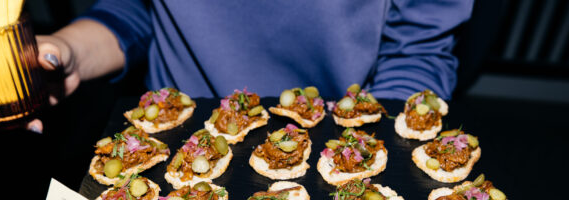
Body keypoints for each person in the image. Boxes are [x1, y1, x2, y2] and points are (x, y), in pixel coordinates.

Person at [30, 0, 474, 132]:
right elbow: (142, 9)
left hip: (342, 134)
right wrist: (67, 49)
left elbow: (418, 48)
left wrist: (369, 151)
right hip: (175, 133)